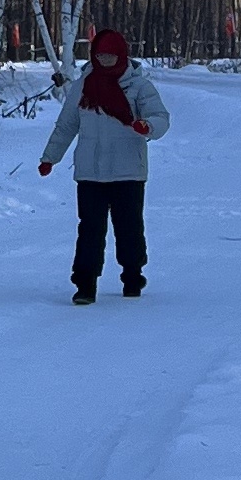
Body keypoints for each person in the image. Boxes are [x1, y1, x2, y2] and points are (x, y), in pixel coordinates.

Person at [38, 24, 171, 301]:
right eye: (100, 55)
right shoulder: (83, 86)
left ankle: (133, 276)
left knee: (129, 226)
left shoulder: (139, 86)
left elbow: (160, 117)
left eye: (110, 56)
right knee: (89, 229)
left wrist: (148, 126)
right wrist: (50, 157)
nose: (104, 60)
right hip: (90, 172)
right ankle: (85, 284)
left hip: (128, 172)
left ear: (121, 55)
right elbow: (66, 125)